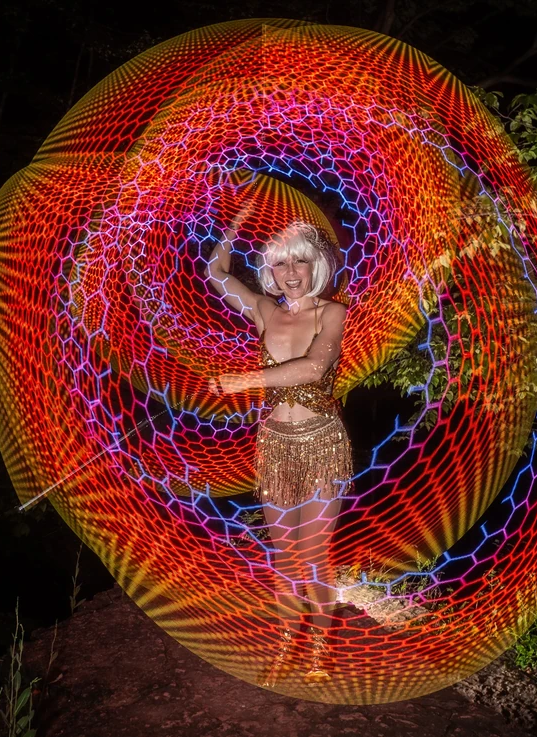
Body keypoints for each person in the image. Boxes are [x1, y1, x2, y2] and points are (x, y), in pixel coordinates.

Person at [204, 214, 352, 688]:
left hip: (321, 444)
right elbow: (216, 273)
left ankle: (320, 648)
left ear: (316, 267)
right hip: (274, 446)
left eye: (300, 262)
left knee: (315, 554)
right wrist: (236, 222)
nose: (291, 271)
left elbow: (312, 368)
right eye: (280, 263)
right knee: (285, 557)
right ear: (269, 270)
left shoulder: (332, 312)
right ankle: (289, 641)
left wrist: (243, 380)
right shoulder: (266, 310)